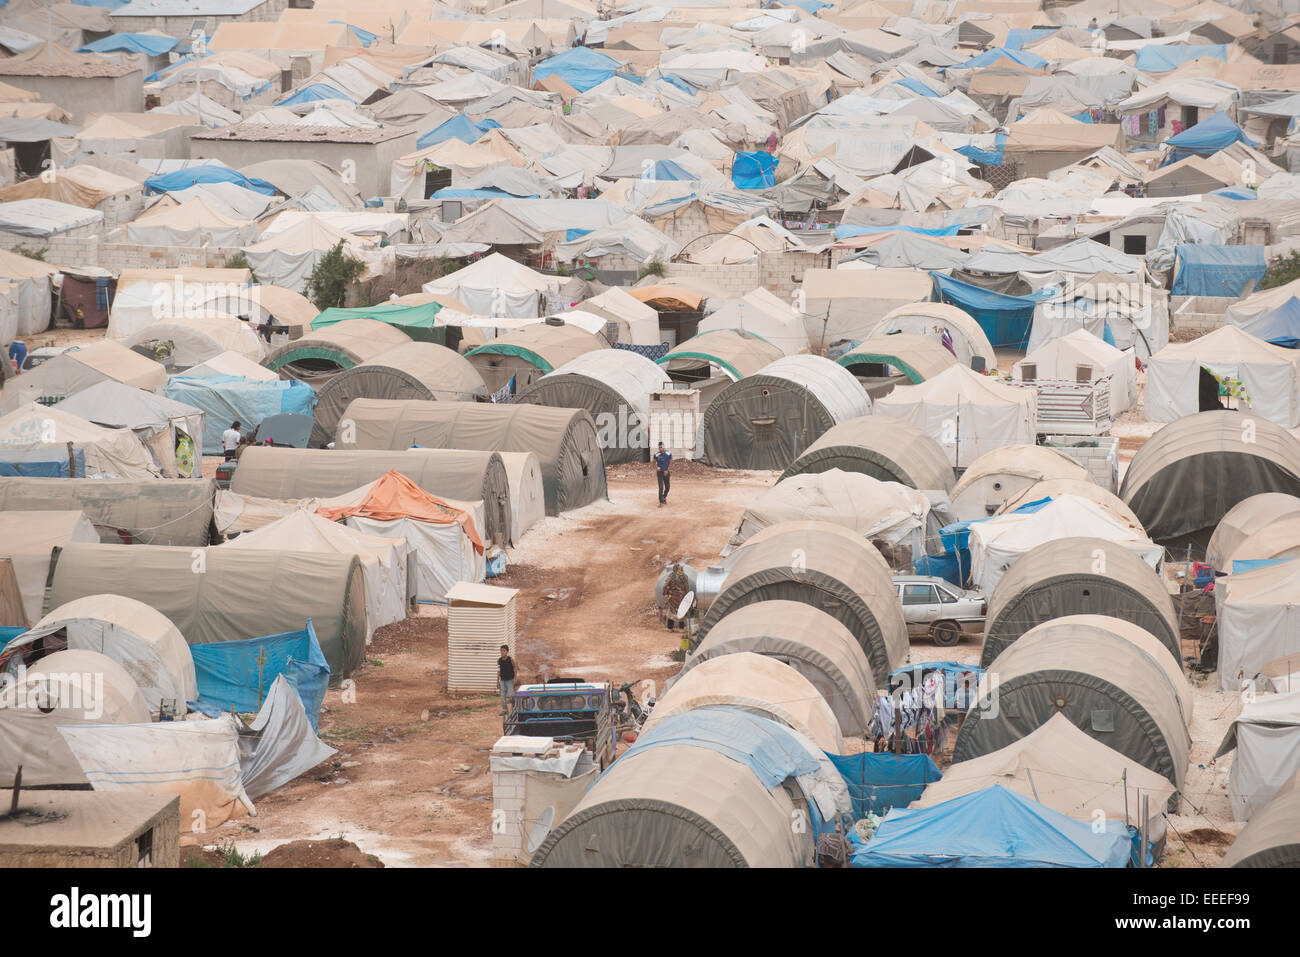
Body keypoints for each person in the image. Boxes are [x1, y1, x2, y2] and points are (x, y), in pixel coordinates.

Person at [498, 645, 516, 718]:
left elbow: (515, 668)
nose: (502, 652)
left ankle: (513, 709)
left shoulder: (510, 660)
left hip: (509, 680)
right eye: (501, 651)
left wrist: (515, 678)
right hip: (502, 680)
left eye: (504, 651)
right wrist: (497, 681)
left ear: (507, 651)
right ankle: (505, 709)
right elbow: (498, 671)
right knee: (502, 696)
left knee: (510, 696)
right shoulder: (499, 660)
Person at [653, 441, 672, 506]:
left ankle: (664, 497)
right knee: (661, 487)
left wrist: (667, 470)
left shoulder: (668, 453)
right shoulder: (656, 454)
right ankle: (661, 501)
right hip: (660, 473)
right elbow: (653, 462)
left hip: (666, 472)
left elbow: (670, 462)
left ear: (663, 447)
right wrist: (656, 467)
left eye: (661, 447)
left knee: (668, 488)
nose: (660, 448)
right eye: (659, 447)